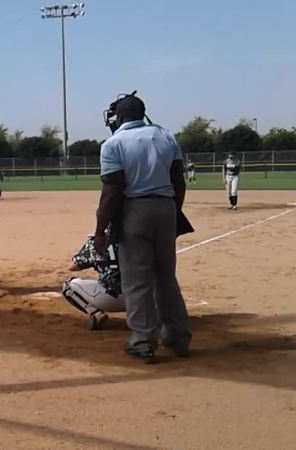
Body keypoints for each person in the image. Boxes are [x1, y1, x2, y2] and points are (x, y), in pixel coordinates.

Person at [95, 93, 191, 363]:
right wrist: (173, 211)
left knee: (137, 280)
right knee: (166, 277)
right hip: (166, 207)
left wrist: (101, 230)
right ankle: (178, 338)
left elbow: (111, 192)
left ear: (120, 117)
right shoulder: (166, 136)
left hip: (134, 210)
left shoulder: (113, 144)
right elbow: (178, 181)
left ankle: (143, 340)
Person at [62, 233, 125, 330]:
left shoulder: (97, 241)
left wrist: (94, 260)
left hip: (109, 299)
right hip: (141, 298)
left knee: (68, 285)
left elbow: (72, 267)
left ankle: (95, 314)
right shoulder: (138, 238)